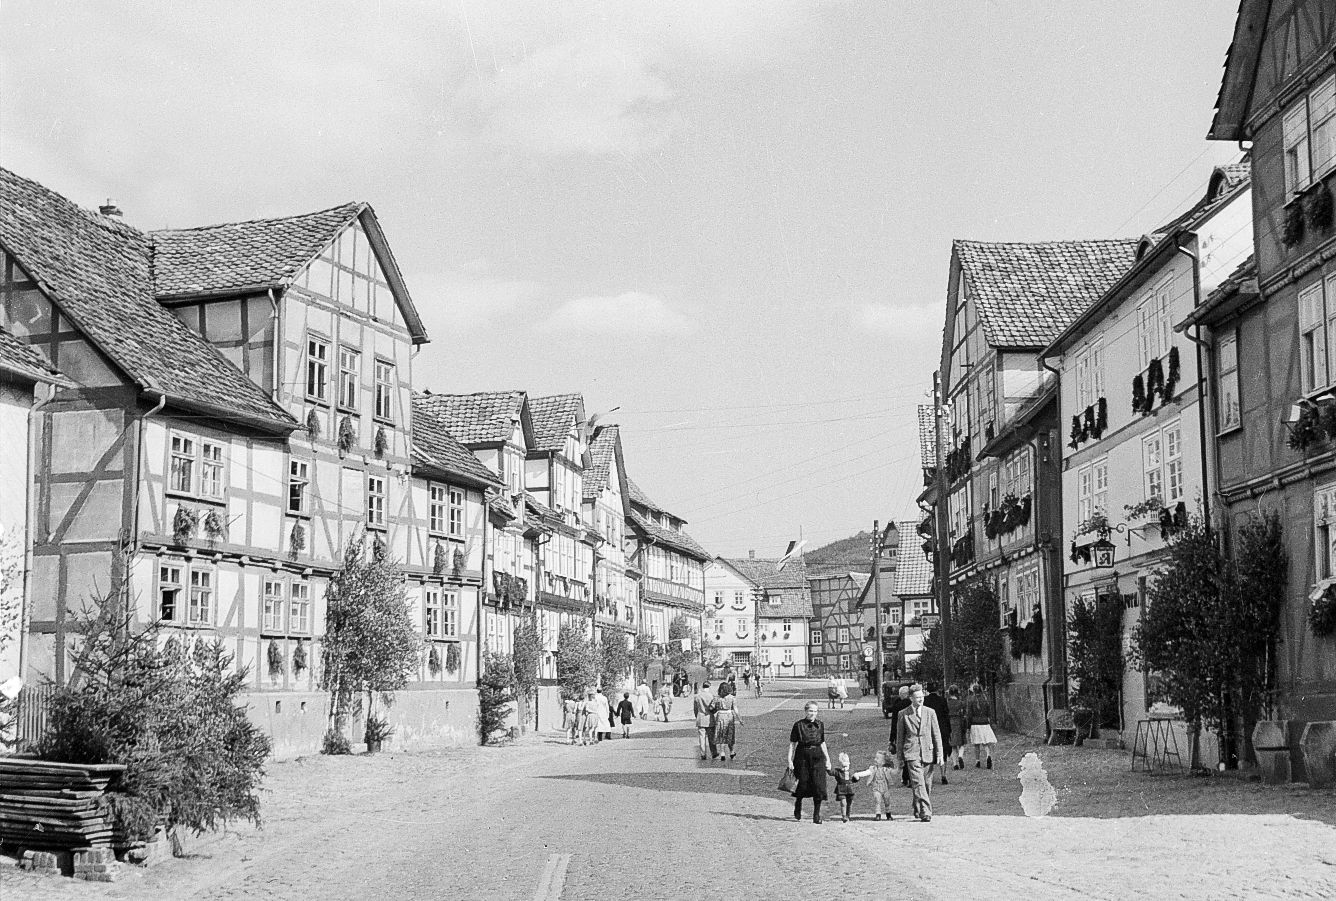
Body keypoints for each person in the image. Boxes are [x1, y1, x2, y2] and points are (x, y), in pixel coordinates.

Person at [892, 683, 943, 822]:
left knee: (926, 784)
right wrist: (900, 757)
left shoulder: (930, 712)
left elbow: (936, 734)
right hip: (911, 752)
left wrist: (940, 754)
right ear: (911, 698)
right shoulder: (903, 714)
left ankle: (917, 806)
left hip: (928, 751)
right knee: (918, 782)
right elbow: (900, 737)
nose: (920, 699)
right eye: (917, 697)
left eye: (922, 696)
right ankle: (926, 812)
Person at [787, 701, 832, 823]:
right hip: (802, 756)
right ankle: (798, 803)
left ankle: (816, 815)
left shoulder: (820, 725)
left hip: (817, 757)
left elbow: (822, 742)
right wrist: (789, 760)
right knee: (802, 783)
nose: (813, 714)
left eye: (815, 711)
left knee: (818, 785)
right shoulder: (798, 725)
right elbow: (792, 744)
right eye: (811, 711)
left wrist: (827, 759)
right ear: (806, 711)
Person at [852, 750, 897, 821]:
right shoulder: (873, 769)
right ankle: (878, 815)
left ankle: (888, 814)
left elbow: (894, 772)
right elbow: (866, 772)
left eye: (877, 758)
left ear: (883, 762)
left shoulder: (886, 769)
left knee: (887, 801)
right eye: (875, 758)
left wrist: (900, 767)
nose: (875, 759)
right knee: (877, 801)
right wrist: (858, 774)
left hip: (885, 788)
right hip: (876, 788)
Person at [924, 683, 953, 785]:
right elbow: (946, 716)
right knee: (943, 752)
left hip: (929, 730)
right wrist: (949, 731)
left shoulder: (925, 700)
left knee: (930, 752)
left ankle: (929, 776)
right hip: (942, 729)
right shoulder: (942, 700)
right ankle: (943, 775)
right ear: (937, 690)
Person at [966, 682, 997, 769]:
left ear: (973, 691)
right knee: (985, 742)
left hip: (975, 723)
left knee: (976, 744)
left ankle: (977, 761)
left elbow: (969, 714)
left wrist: (968, 726)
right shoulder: (985, 699)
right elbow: (989, 713)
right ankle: (988, 755)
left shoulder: (971, 700)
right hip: (985, 723)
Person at [886, 685, 912, 785]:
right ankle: (908, 777)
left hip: (900, 733)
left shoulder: (897, 706)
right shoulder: (911, 704)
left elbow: (894, 723)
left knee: (902, 755)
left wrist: (891, 738)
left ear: (901, 695)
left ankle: (905, 777)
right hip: (910, 732)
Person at [713, 682, 742, 760]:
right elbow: (735, 709)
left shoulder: (717, 698)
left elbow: (713, 708)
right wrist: (740, 719)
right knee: (730, 735)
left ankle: (722, 753)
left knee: (722, 734)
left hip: (720, 716)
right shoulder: (732, 698)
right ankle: (732, 752)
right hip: (729, 716)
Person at [830, 751, 859, 822]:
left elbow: (855, 780)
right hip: (841, 789)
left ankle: (848, 815)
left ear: (849, 764)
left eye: (846, 765)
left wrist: (857, 778)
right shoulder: (838, 772)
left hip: (850, 790)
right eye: (843, 766)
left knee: (849, 803)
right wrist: (826, 765)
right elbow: (830, 772)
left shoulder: (852, 772)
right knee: (843, 803)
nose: (845, 767)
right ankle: (844, 816)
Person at [693, 682, 719, 760]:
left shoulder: (697, 696)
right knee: (711, 737)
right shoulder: (712, 696)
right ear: (709, 687)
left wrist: (697, 716)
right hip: (710, 718)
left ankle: (703, 754)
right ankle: (714, 752)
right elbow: (715, 708)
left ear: (702, 687)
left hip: (700, 718)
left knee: (702, 737)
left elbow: (695, 709)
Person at [947, 685, 967, 770]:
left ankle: (955, 764)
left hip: (950, 723)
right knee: (962, 743)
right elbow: (964, 714)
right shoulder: (961, 703)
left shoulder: (947, 703)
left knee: (953, 745)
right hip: (959, 722)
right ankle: (960, 756)